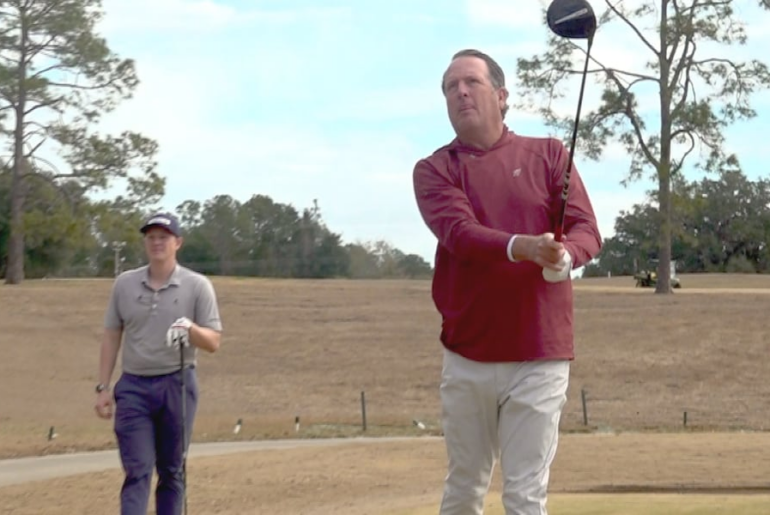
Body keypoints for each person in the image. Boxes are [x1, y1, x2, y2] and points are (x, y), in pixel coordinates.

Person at [412, 49, 601, 515]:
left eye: (470, 82)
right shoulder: (434, 170)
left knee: (524, 494)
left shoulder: (550, 155)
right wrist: (525, 247)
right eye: (449, 87)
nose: (459, 92)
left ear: (500, 95)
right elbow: (461, 234)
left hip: (539, 352)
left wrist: (566, 257)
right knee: (464, 488)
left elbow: (587, 230)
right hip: (468, 353)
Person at [94, 212, 223, 515]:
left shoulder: (197, 285)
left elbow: (214, 341)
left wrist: (191, 329)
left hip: (177, 384)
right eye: (151, 237)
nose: (156, 243)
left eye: (163, 237)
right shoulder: (124, 284)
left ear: (177, 242)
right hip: (134, 387)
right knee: (137, 468)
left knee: (171, 470)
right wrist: (103, 387)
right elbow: (112, 335)